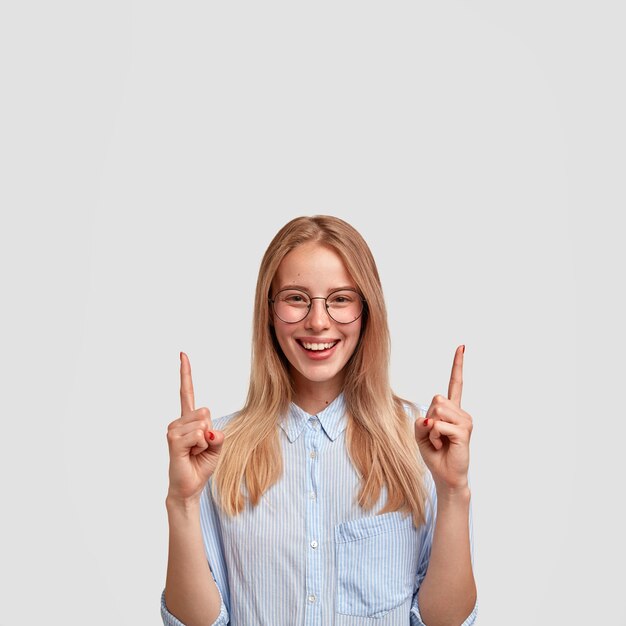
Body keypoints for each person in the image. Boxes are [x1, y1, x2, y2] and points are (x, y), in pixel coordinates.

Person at [161, 215, 478, 626]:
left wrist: (453, 493)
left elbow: (444, 623)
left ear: (367, 311)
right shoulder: (214, 449)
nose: (317, 321)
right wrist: (182, 502)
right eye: (296, 298)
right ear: (269, 311)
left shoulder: (424, 441)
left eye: (341, 299)